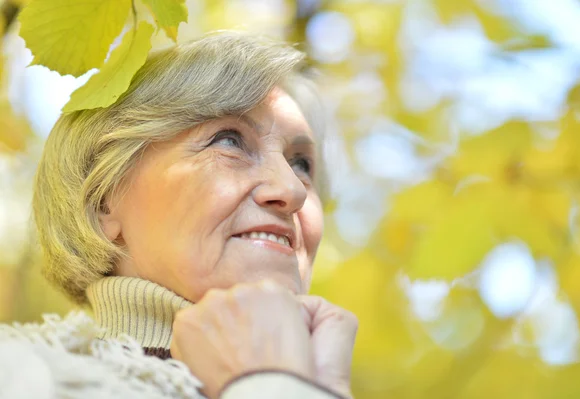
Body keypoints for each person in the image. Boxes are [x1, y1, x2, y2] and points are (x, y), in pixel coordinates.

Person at [0, 32, 357, 399]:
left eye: (301, 164)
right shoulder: (19, 378)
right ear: (102, 199)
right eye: (229, 140)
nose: (293, 190)